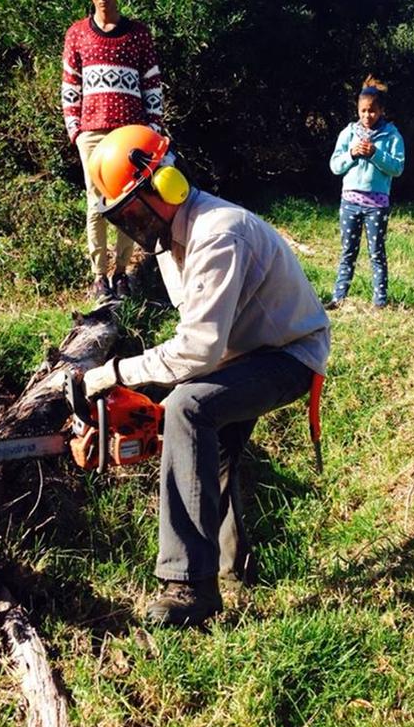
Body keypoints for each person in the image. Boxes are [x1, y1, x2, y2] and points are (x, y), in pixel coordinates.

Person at [81, 125, 330, 627]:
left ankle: (189, 586)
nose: (132, 224)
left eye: (134, 211)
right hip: (242, 353)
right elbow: (198, 336)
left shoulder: (217, 234)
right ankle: (231, 569)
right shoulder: (172, 241)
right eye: (122, 217)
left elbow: (198, 348)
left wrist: (117, 374)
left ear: (166, 184)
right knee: (203, 437)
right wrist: (144, 401)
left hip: (289, 355)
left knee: (189, 409)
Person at [61, 0, 163, 301]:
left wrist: (153, 129)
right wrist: (75, 132)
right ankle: (98, 276)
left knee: (129, 204)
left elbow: (152, 84)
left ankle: (121, 273)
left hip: (130, 134)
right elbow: (70, 86)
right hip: (92, 133)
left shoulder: (138, 34)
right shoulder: (77, 34)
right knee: (96, 205)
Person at [327, 76, 405, 310]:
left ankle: (379, 301)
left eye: (372, 111)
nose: (367, 115)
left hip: (377, 205)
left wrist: (375, 154)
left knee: (376, 253)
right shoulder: (348, 133)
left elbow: (397, 168)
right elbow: (335, 166)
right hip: (349, 202)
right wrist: (352, 153)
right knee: (347, 252)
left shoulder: (392, 136)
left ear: (381, 111)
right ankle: (338, 298)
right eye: (363, 111)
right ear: (357, 110)